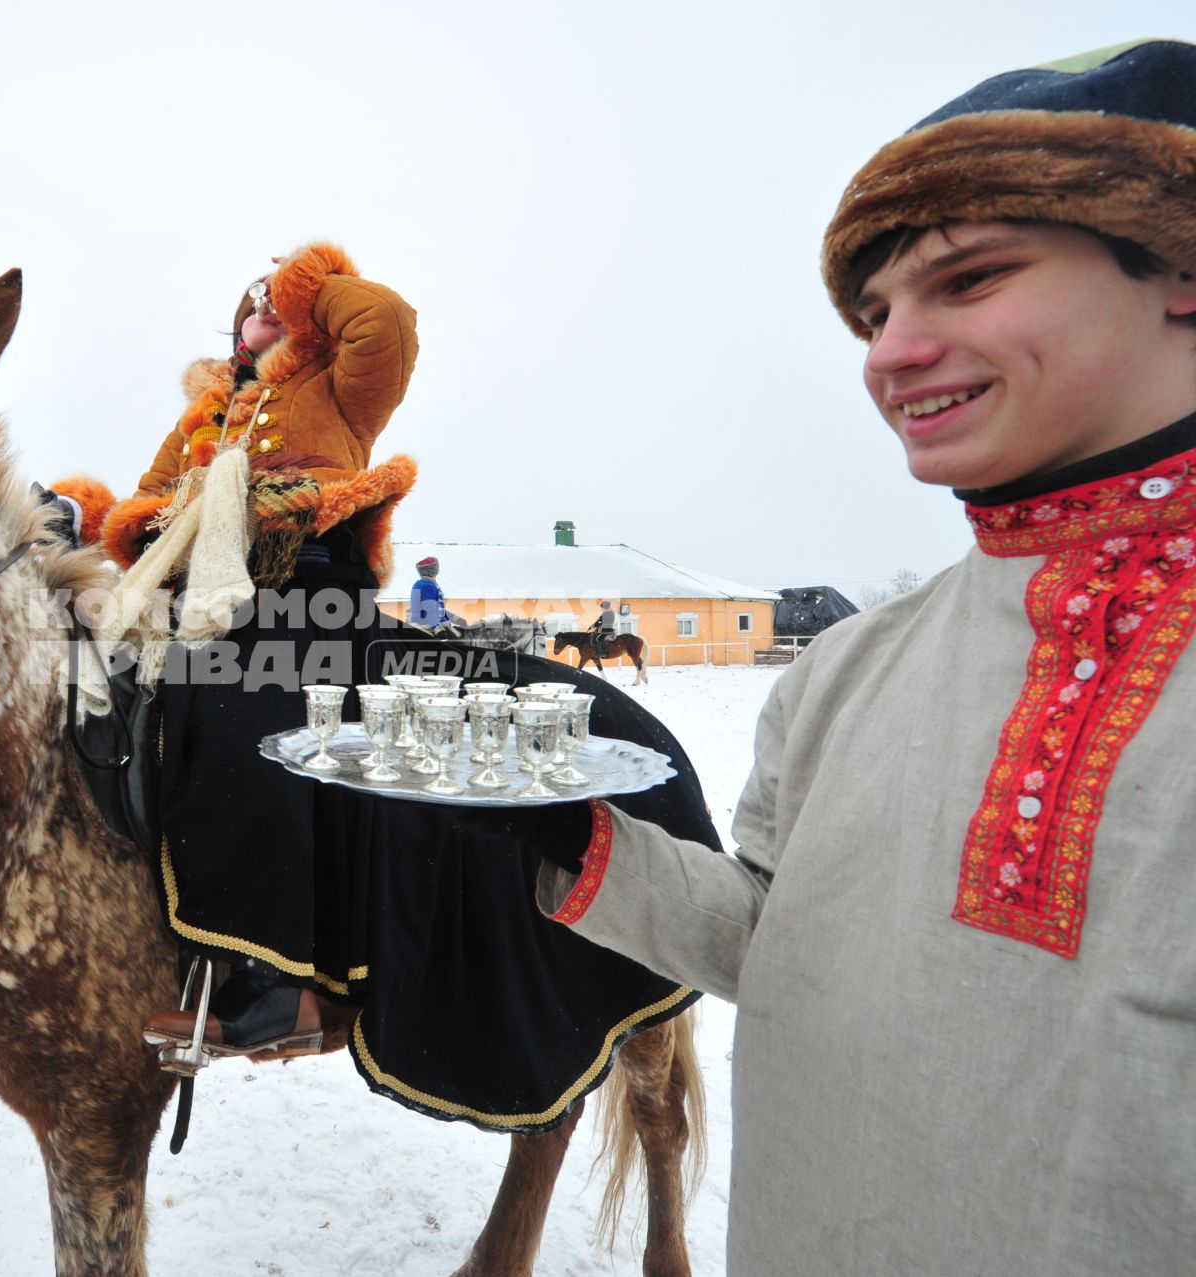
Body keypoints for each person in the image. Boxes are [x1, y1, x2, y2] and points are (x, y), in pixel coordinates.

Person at [534, 39, 1196, 1274]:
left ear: (1177, 264)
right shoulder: (843, 667)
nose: (890, 354)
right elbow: (777, 942)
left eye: (970, 280)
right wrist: (556, 839)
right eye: (877, 312)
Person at [63, 243, 720, 1135]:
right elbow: (142, 504)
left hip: (313, 591)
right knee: (105, 702)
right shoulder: (202, 417)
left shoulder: (339, 382)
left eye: (277, 301)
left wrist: (312, 286)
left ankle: (279, 980)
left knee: (241, 704)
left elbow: (389, 322)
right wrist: (95, 516)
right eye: (250, 303)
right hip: (206, 603)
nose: (263, 311)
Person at [407, 555, 447, 628]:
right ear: (435, 569)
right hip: (427, 625)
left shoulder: (422, 583)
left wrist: (454, 618)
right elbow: (430, 610)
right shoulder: (427, 585)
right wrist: (438, 629)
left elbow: (438, 608)